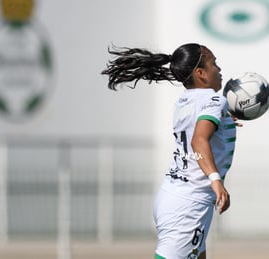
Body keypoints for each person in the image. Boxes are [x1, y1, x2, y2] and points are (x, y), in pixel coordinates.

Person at [101, 43, 239, 259]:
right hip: (189, 205)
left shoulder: (184, 101)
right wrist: (215, 180)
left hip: (174, 196)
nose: (219, 69)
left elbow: (199, 130)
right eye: (214, 63)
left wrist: (224, 121)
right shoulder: (214, 100)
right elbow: (199, 141)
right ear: (201, 73)